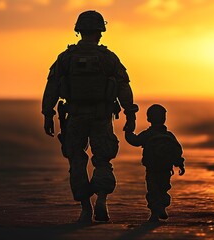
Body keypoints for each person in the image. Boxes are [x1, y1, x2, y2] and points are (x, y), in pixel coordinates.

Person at [41, 10, 138, 223]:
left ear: (79, 30)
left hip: (75, 116)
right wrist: (130, 114)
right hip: (101, 116)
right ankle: (101, 199)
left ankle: (86, 208)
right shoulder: (108, 58)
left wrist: (47, 114)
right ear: (100, 32)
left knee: (76, 160)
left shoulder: (66, 58)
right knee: (103, 159)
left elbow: (52, 87)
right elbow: (123, 87)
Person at [124, 104, 185, 222]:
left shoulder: (147, 134)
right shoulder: (169, 135)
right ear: (164, 118)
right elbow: (177, 151)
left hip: (152, 170)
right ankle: (161, 207)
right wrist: (180, 164)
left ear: (148, 119)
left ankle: (154, 213)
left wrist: (128, 129)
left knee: (153, 191)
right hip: (166, 169)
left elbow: (134, 141)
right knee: (163, 189)